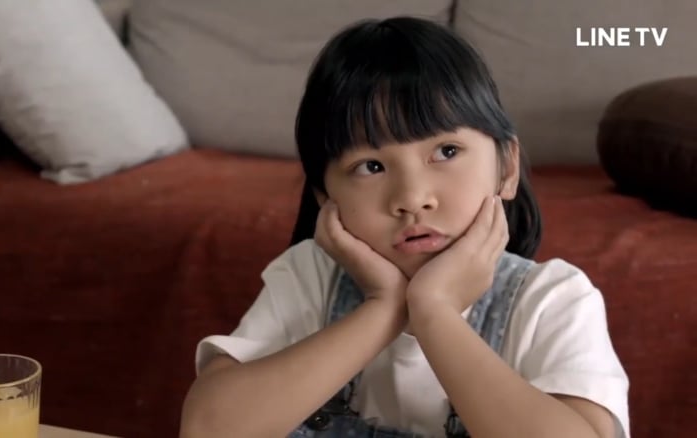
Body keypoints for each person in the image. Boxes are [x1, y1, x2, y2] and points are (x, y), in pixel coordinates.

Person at [180, 16, 629, 438]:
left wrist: (435, 312)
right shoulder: (309, 279)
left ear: (506, 167)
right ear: (325, 196)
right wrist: (384, 308)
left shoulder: (551, 299)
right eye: (371, 166)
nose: (413, 198)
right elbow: (208, 429)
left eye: (447, 152)